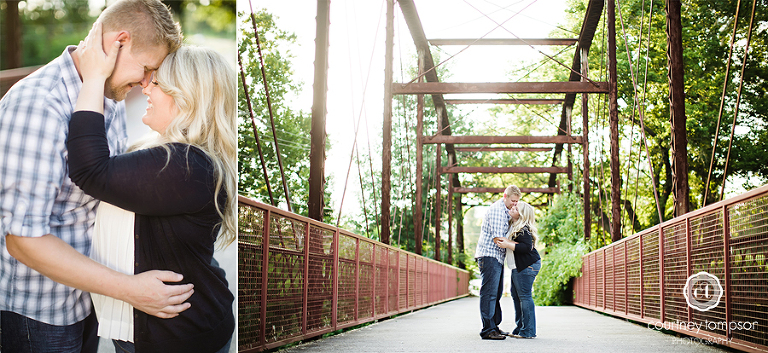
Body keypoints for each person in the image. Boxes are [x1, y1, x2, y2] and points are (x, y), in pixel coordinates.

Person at [0, 1, 189, 352]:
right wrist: (130, 289)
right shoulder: (40, 105)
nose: (146, 82)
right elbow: (23, 239)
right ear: (118, 42)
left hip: (88, 299)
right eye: (147, 68)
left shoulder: (105, 95)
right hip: (41, 314)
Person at [68, 21, 236, 353]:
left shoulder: (187, 165)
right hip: (169, 328)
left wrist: (94, 78)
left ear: (186, 97)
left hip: (178, 338)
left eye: (156, 81)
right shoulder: (175, 154)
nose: (145, 88)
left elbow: (90, 170)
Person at [475, 185, 521, 340]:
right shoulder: (496, 210)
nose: (515, 204)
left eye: (517, 202)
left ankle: (494, 326)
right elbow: (498, 239)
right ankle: (487, 330)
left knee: (496, 292)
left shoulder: (505, 211)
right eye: (513, 201)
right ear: (505, 196)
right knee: (489, 293)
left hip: (497, 257)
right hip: (489, 255)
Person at [495, 201, 542, 339]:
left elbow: (526, 247)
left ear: (521, 215)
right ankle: (520, 328)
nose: (512, 208)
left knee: (524, 296)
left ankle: (528, 331)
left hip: (527, 266)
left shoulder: (523, 229)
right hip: (519, 267)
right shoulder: (514, 226)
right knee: (516, 296)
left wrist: (508, 244)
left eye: (516, 208)